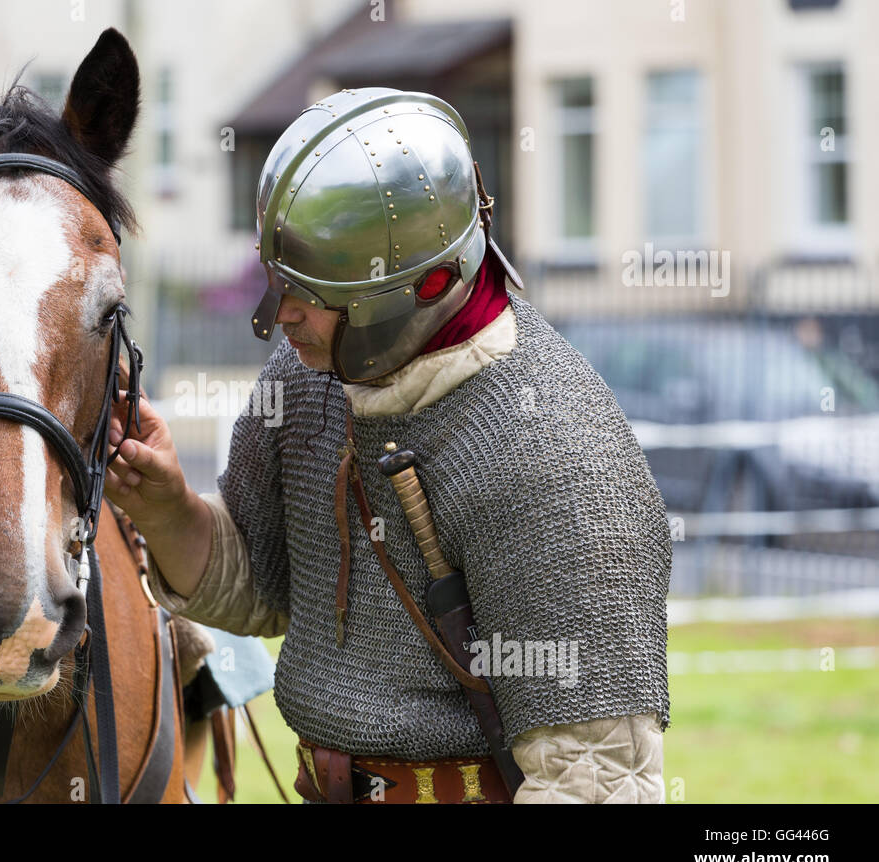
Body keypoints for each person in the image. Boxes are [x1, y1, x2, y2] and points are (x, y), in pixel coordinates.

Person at [104, 88, 670, 803]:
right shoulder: (310, 377)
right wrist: (170, 509)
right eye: (280, 279)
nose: (281, 314)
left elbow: (594, 781)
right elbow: (267, 586)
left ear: (418, 287)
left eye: (311, 291)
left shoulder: (554, 454)